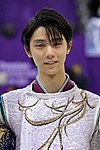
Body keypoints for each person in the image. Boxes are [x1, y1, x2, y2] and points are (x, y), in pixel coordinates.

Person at [0, 8, 100, 150]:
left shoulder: (94, 107)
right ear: (28, 50)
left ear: (69, 46)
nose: (49, 53)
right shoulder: (8, 105)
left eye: (56, 43)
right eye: (40, 45)